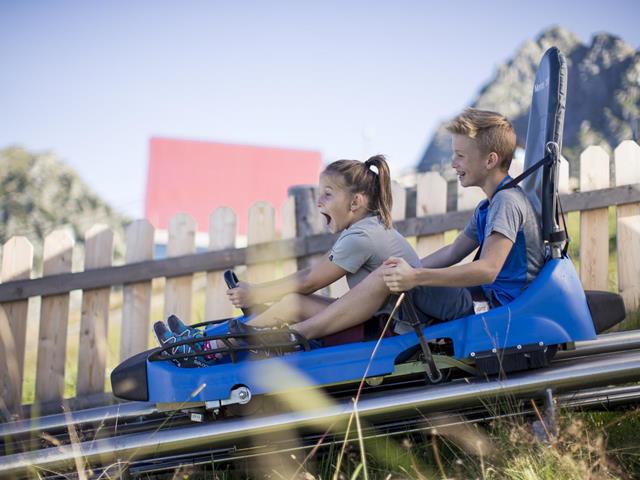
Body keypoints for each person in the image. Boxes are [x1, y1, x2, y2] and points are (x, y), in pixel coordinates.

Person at [249, 107, 544, 341]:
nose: (454, 163)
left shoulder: (506, 203)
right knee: (393, 270)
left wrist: (415, 278)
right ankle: (280, 328)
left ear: (491, 160)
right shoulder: (488, 206)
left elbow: (487, 270)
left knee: (390, 271)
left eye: (460, 155)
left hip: (492, 309)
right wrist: (412, 269)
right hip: (477, 299)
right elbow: (453, 251)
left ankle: (301, 333)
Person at [154, 154, 422, 358]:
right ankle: (204, 339)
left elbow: (310, 281)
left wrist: (256, 293)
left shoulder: (361, 237)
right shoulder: (368, 228)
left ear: (355, 202)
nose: (319, 203)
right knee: (293, 304)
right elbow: (310, 277)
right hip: (381, 321)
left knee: (289, 304)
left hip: (393, 331)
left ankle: (205, 347)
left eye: (327, 195)